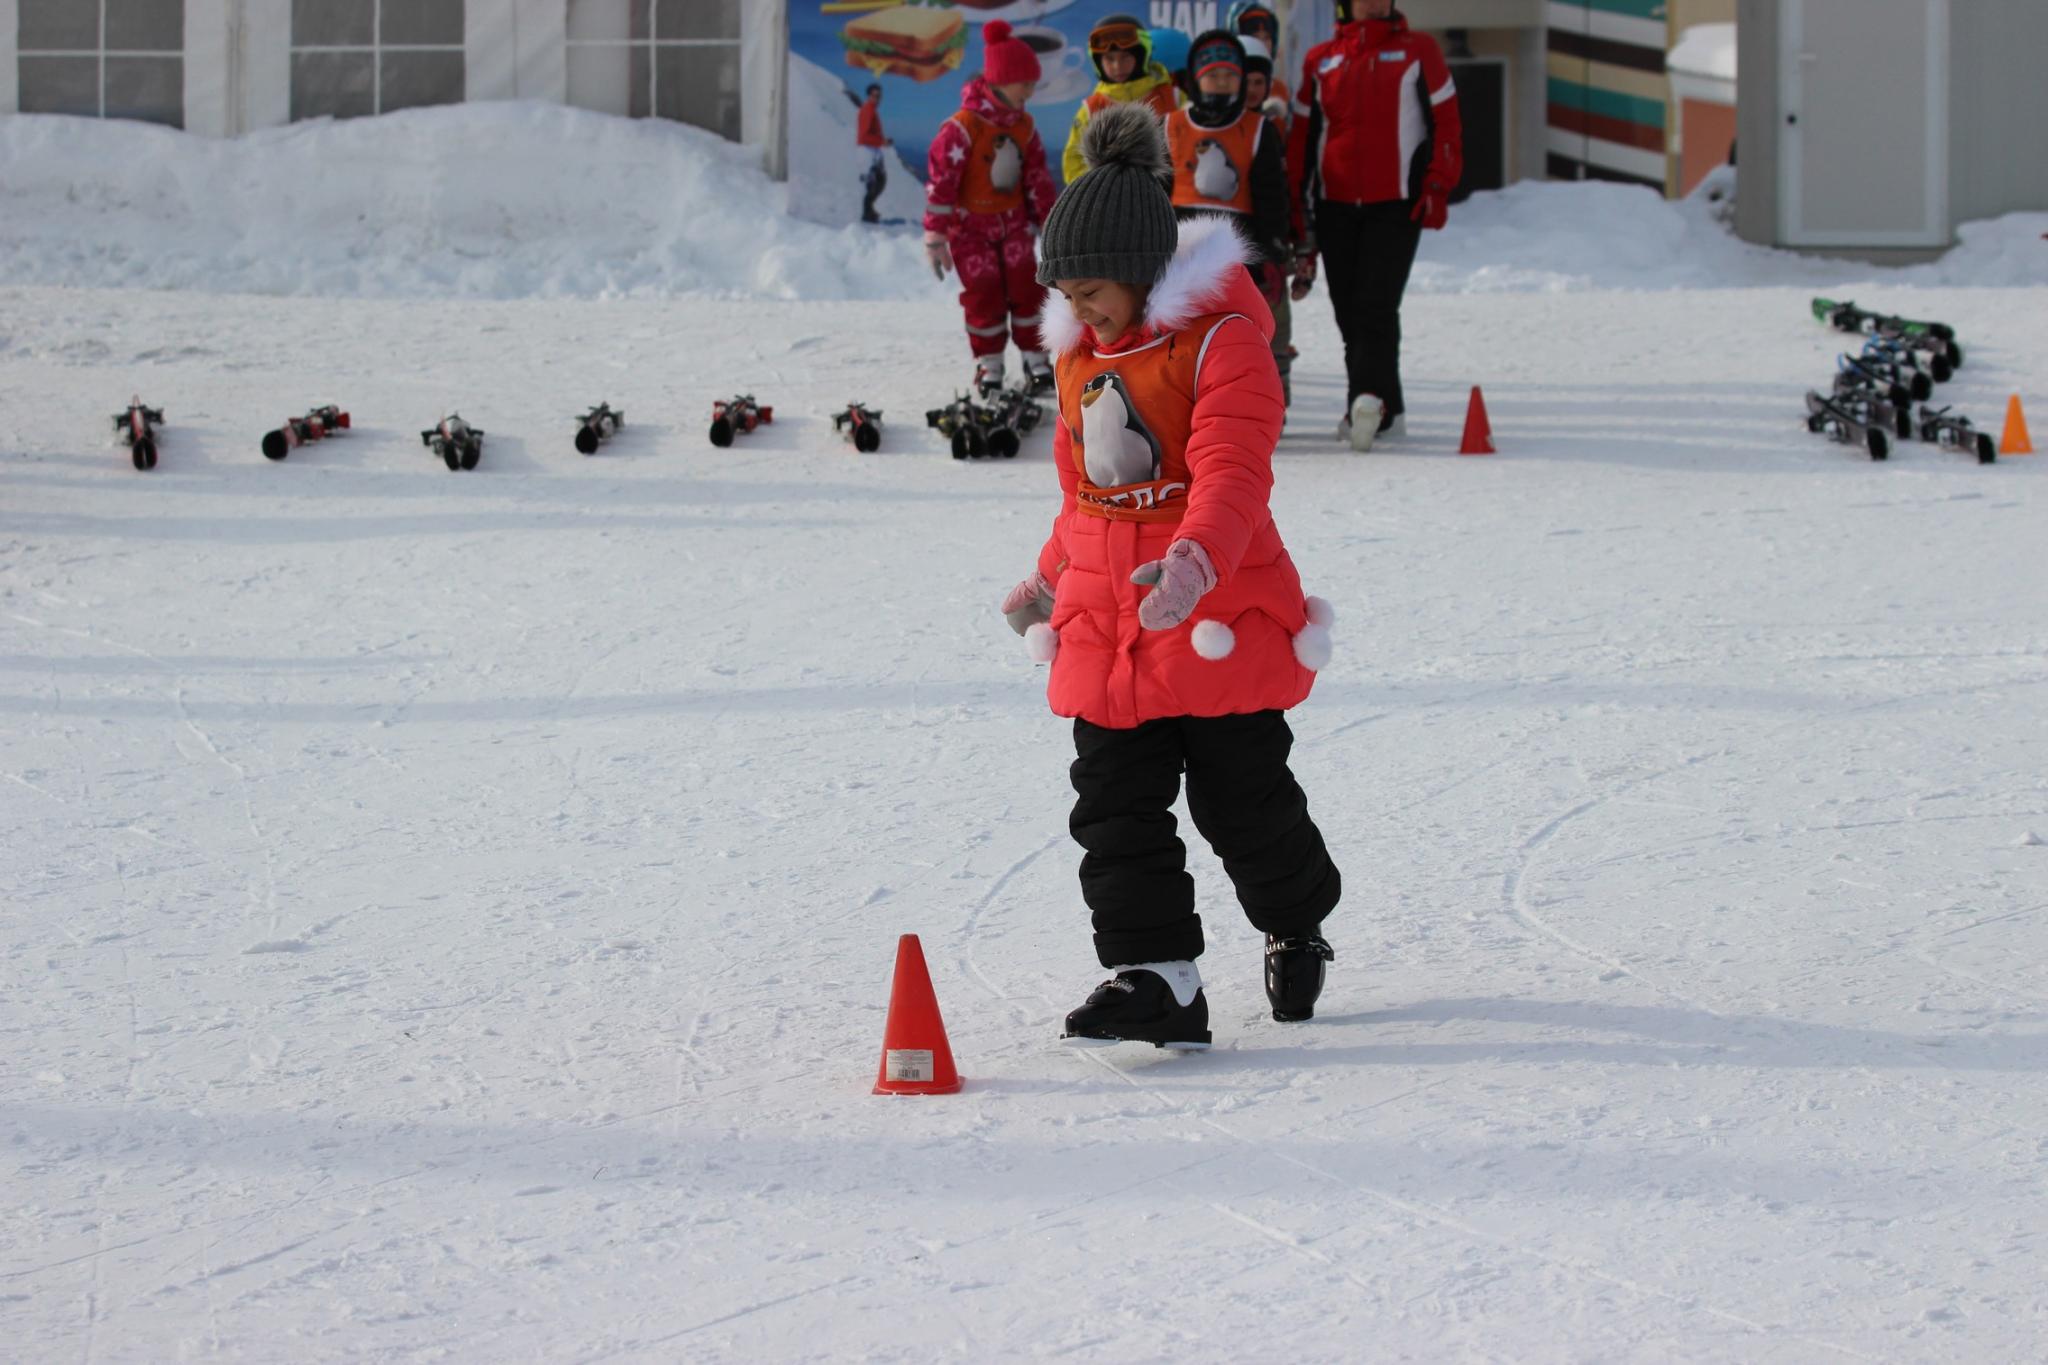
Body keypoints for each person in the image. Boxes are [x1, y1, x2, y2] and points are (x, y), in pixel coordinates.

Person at [1000, 104, 1342, 1049]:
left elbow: (1235, 470)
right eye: (1065, 290)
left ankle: (1296, 917)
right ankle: (1158, 976)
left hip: (1212, 604)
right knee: (1112, 806)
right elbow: (1083, 493)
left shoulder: (1221, 336)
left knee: (1243, 801)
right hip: (1109, 619)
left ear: (1145, 269)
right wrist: (1045, 578)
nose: (1080, 306)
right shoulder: (1077, 355)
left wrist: (1193, 560)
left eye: (1094, 286)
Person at [1287, 0, 1462, 450]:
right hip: (1334, 204)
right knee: (1350, 312)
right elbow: (1303, 137)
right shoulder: (1320, 59)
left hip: (1396, 204)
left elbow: (1446, 122)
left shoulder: (1419, 50)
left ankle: (1362, 405)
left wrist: (1438, 185)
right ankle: (1389, 408)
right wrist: (1293, 201)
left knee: (1375, 304)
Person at [924, 21, 1060, 395]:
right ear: (1001, 79)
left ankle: (1037, 361)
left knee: (1027, 290)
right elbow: (942, 185)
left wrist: (1050, 224)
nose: (1030, 92)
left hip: (1014, 226)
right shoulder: (962, 129)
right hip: (970, 232)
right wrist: (935, 235)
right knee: (984, 295)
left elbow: (1036, 180)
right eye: (1025, 84)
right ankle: (990, 364)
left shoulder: (1025, 127)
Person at [1165, 31, 1294, 403]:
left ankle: (1250, 396)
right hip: (1180, 248)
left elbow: (1272, 195)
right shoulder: (1172, 125)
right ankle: (1182, 397)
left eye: (1230, 75)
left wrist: (1272, 249)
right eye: (1213, 75)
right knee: (1183, 330)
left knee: (1238, 329)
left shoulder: (1257, 129)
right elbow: (1157, 189)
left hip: (1239, 247)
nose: (1221, 83)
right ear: (1195, 78)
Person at [1236, 34, 1299, 404]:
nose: (1253, 90)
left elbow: (1289, 191)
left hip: (1269, 245)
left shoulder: (1275, 128)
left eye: (1260, 82)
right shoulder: (1216, 129)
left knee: (1275, 327)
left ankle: (1276, 402)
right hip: (1235, 244)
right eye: (1246, 81)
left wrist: (1293, 248)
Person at [1062, 13, 1181, 184]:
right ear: (1098, 62)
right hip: (1110, 203)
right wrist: (1094, 194)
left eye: (1125, 57)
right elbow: (1074, 163)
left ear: (1141, 56)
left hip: (1168, 201)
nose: (1118, 66)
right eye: (1110, 59)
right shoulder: (1091, 108)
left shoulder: (1173, 98)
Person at [856, 83, 890, 224]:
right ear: (869, 96)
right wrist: (881, 141)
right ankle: (867, 213)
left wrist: (882, 141)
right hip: (868, 152)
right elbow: (863, 136)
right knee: (876, 183)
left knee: (879, 181)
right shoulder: (868, 110)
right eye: (875, 95)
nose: (878, 98)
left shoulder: (871, 110)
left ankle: (869, 210)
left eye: (879, 96)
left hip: (873, 152)